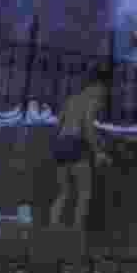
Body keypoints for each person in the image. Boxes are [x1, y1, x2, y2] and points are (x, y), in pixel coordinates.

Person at [47, 67, 112, 242]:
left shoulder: (71, 99)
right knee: (84, 192)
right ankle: (77, 232)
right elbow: (88, 127)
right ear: (98, 86)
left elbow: (58, 124)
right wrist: (98, 151)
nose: (105, 93)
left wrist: (57, 146)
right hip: (77, 145)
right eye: (104, 88)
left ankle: (52, 231)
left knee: (64, 192)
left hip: (60, 146)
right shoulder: (93, 100)